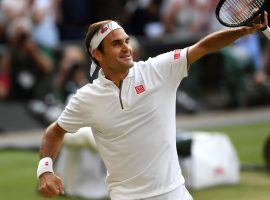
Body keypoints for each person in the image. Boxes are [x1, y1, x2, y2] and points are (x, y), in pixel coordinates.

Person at [37, 12, 268, 199]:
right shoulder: (86, 98)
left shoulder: (158, 69)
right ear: (98, 54)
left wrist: (243, 31)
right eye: (116, 44)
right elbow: (54, 132)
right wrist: (45, 169)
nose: (127, 47)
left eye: (126, 41)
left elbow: (204, 46)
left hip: (174, 192)